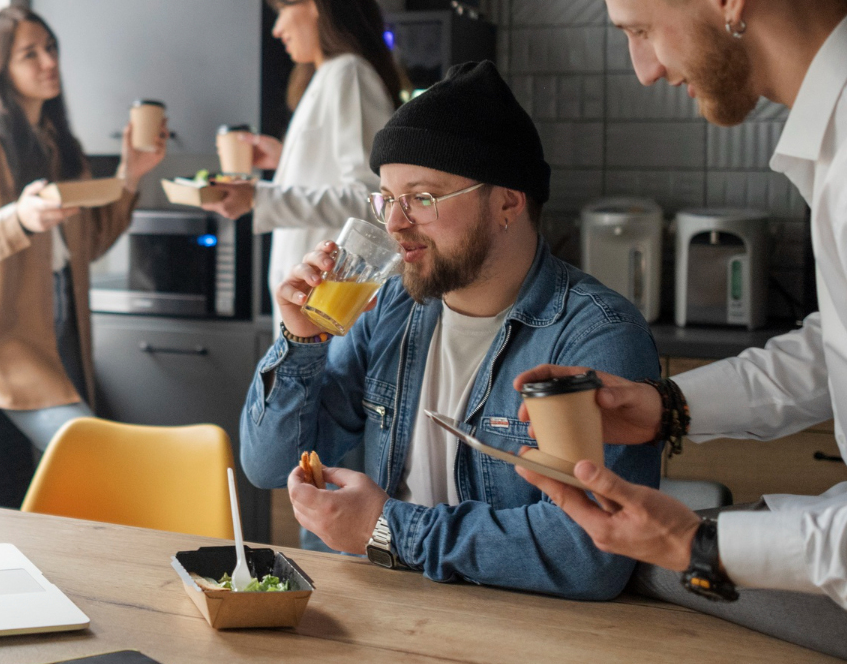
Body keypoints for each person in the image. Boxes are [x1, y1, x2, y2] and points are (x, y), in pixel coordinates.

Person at [513, 0, 847, 662]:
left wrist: (697, 545)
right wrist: (665, 407)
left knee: (637, 581)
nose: (644, 69)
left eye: (639, 30)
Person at [239, 61, 662, 599]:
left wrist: (387, 528)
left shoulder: (595, 336)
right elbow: (269, 464)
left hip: (519, 632)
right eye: (386, 199)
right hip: (375, 614)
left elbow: (590, 556)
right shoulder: (390, 308)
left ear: (508, 200)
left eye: (421, 197)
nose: (394, 223)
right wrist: (300, 341)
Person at [0, 6, 165, 450]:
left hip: (66, 326)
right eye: (30, 54)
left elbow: (91, 244)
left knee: (69, 479)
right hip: (9, 342)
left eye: (51, 48)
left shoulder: (61, 144)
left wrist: (131, 176)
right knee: (90, 454)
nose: (49, 62)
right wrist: (18, 219)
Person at [200, 0, 401, 327]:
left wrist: (260, 197)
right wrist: (285, 160)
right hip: (314, 309)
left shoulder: (348, 73)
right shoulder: (325, 77)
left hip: (331, 310)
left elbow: (371, 200)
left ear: (321, 5)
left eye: (283, 8)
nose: (277, 29)